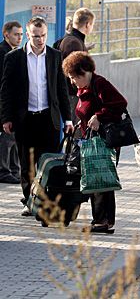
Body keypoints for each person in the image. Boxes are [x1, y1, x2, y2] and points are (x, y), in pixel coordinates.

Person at [0, 16, 74, 216]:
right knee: (27, 163)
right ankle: (28, 200)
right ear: (27, 34)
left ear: (46, 34)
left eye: (42, 36)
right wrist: (5, 118)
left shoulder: (54, 56)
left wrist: (68, 119)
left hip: (48, 119)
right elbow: (6, 90)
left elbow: (61, 89)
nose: (39, 40)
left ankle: (46, 202)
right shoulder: (14, 58)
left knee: (48, 162)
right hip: (25, 119)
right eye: (35, 36)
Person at [62, 51, 127, 234]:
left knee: (99, 180)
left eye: (74, 77)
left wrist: (99, 116)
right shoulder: (84, 88)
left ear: (84, 72)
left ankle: (102, 221)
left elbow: (120, 103)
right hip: (90, 140)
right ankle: (103, 220)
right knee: (98, 179)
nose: (72, 82)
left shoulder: (100, 84)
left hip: (104, 141)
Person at [58, 8, 96, 123]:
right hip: (73, 96)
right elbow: (75, 72)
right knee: (76, 134)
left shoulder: (71, 40)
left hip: (71, 94)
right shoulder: (74, 43)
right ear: (87, 24)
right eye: (92, 24)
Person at [0, 21, 23, 184]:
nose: (19, 37)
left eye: (21, 34)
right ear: (6, 34)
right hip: (6, 102)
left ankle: (14, 169)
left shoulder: (14, 51)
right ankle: (4, 170)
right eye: (16, 34)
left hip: (14, 102)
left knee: (14, 137)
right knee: (7, 137)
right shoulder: (3, 52)